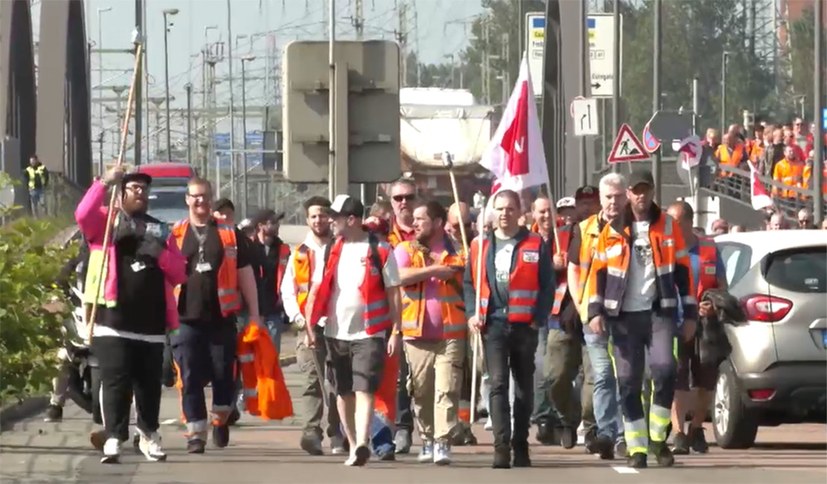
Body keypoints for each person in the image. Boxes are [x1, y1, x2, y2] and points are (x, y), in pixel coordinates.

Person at [76, 166, 187, 463]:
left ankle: (149, 435)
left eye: (144, 189)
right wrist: (103, 182)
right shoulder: (106, 221)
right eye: (134, 188)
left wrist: (159, 254)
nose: (140, 193)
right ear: (120, 193)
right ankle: (114, 436)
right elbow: (82, 215)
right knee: (115, 383)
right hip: (113, 321)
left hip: (151, 324)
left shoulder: (160, 229)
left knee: (149, 385)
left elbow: (179, 273)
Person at [586, 170, 695, 469]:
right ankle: (637, 448)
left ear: (653, 192)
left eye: (646, 190)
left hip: (660, 312)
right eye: (636, 191)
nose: (641, 196)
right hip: (623, 317)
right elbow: (598, 274)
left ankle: (658, 437)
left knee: (664, 370)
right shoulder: (612, 230)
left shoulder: (668, 226)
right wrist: (595, 312)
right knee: (629, 384)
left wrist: (690, 315)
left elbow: (684, 272)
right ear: (629, 194)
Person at [305, 195, 403, 467]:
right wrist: (310, 325)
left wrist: (395, 331)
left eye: (334, 217)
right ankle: (352, 444)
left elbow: (394, 293)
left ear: (351, 220)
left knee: (365, 388)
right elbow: (316, 289)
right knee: (343, 392)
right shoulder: (329, 250)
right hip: (335, 333)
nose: (329, 221)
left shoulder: (381, 249)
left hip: (369, 333)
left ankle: (362, 442)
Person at [464, 189, 555, 469]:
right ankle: (501, 446)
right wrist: (471, 313)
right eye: (500, 209)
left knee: (524, 388)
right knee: (498, 383)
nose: (505, 214)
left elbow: (547, 285)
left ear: (520, 212)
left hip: (524, 324)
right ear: (494, 212)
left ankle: (520, 442)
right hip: (493, 323)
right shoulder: (480, 245)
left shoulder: (534, 243)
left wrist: (538, 317)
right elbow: (469, 282)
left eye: (510, 209)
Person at [170, 178, 261, 454]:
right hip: (185, 320)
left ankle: (220, 420)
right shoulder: (174, 235)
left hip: (221, 320)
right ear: (187, 199)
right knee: (190, 377)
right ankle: (196, 433)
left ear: (211, 199)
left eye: (205, 196)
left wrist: (254, 314)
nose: (201, 201)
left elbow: (246, 275)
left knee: (224, 375)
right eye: (195, 197)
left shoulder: (229, 234)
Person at [396, 201, 466, 466]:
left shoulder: (458, 250)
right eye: (413, 219)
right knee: (421, 391)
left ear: (437, 223)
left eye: (420, 219)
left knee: (446, 389)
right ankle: (426, 437)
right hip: (416, 334)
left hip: (451, 334)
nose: (414, 224)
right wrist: (433, 270)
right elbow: (399, 276)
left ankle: (442, 442)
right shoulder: (405, 249)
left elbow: (470, 281)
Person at [280, 196, 346, 456]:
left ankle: (338, 431)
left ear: (330, 218)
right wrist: (299, 319)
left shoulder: (343, 249)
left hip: (339, 326)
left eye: (322, 215)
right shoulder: (299, 254)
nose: (318, 220)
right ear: (307, 220)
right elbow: (288, 291)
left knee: (340, 381)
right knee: (312, 380)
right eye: (313, 216)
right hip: (309, 329)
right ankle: (311, 432)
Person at [568, 174, 627, 460]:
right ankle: (607, 432)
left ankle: (626, 434)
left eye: (618, 196)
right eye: (608, 197)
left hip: (628, 316)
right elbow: (574, 270)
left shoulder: (635, 228)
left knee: (627, 375)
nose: (613, 202)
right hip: (593, 317)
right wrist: (584, 308)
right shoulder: (584, 229)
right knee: (603, 374)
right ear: (601, 200)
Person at [666, 201, 727, 455]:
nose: (670, 227)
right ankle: (679, 433)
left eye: (675, 222)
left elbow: (723, 288)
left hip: (706, 326)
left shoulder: (709, 249)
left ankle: (696, 429)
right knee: (677, 380)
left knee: (705, 382)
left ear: (689, 222)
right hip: (676, 323)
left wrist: (713, 305)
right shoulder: (666, 249)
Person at [385, 179, 418, 453]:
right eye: (398, 198)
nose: (404, 202)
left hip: (425, 316)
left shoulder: (429, 231)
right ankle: (402, 428)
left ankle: (433, 430)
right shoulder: (381, 235)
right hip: (393, 317)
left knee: (423, 378)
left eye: (409, 197)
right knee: (398, 377)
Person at [250, 208, 291, 354]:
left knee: (272, 356)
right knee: (252, 358)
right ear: (260, 226)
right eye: (272, 222)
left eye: (277, 222)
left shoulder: (283, 249)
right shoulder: (249, 247)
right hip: (252, 312)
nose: (277, 226)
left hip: (274, 310)